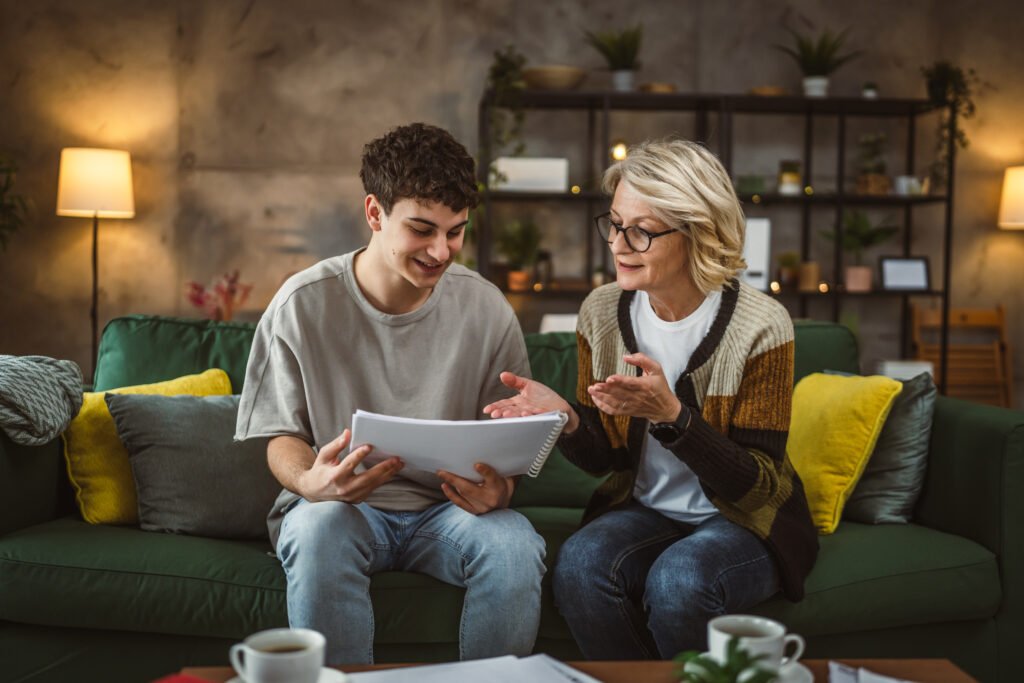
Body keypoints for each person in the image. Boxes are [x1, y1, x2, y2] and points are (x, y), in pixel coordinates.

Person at [484, 139, 818, 659]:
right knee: (579, 565)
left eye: (641, 231)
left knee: (680, 579)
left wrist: (673, 417)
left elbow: (758, 488)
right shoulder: (601, 311)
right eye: (615, 224)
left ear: (697, 233)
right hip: (647, 509)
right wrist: (567, 418)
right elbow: (607, 461)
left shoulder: (761, 325)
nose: (618, 244)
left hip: (743, 522)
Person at [236, 122, 545, 665]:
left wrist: (503, 489)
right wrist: (311, 480)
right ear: (375, 214)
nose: (441, 250)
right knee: (320, 531)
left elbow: (506, 438)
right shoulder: (302, 303)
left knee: (515, 543)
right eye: (422, 229)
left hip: (446, 512)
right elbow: (278, 432)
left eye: (455, 231)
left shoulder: (487, 307)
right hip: (339, 509)